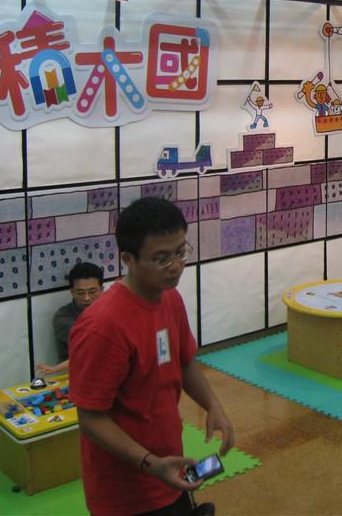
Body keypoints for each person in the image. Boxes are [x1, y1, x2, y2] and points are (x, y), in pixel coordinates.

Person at [69, 197, 234, 516]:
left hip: (170, 466)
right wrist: (150, 464)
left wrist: (213, 406)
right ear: (128, 259)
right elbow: (90, 419)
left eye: (180, 252)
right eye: (161, 258)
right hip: (125, 490)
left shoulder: (170, 298)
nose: (175, 266)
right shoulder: (102, 326)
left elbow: (184, 362)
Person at [36, 262, 104, 376]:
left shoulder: (109, 310)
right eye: (80, 293)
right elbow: (92, 347)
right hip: (73, 375)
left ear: (102, 289)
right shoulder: (63, 317)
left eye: (92, 292)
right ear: (72, 292)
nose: (87, 298)